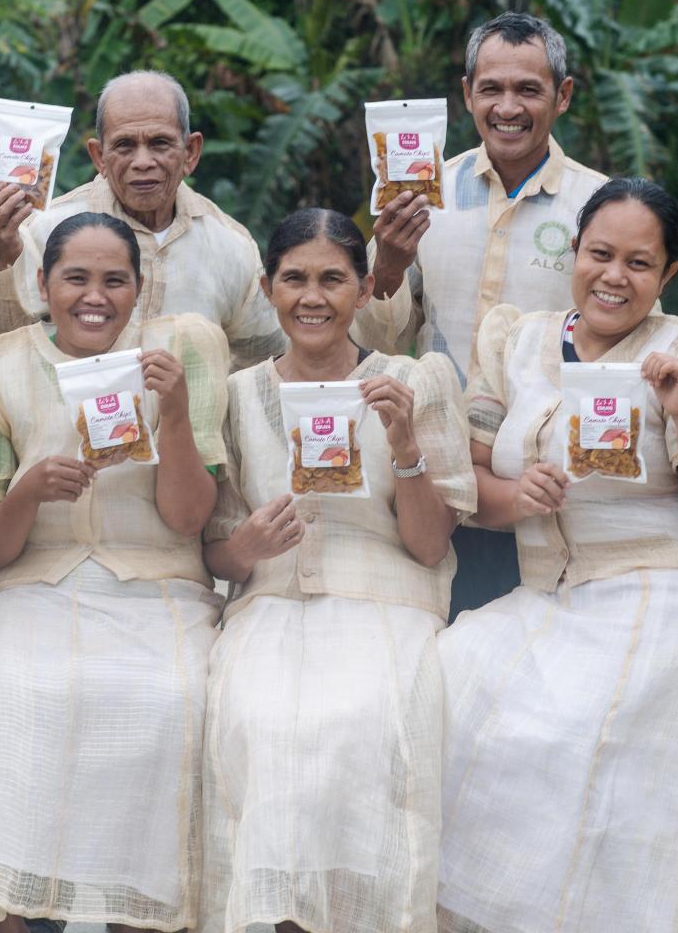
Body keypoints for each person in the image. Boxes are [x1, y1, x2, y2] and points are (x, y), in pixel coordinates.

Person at [434, 178, 678, 933]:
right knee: (444, 692)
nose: (615, 276)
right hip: (558, 593)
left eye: (640, 264)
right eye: (600, 254)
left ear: (668, 275)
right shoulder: (518, 341)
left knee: (577, 742)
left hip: (670, 592)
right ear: (574, 253)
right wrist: (518, 496)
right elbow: (471, 480)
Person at [0, 212, 231, 933]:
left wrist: (171, 412)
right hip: (33, 587)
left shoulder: (184, 349)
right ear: (43, 283)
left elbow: (189, 520)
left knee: (175, 699)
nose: (95, 297)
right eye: (75, 278)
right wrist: (26, 493)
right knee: (18, 695)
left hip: (159, 585)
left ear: (141, 290)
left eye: (116, 280)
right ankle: (18, 911)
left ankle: (141, 915)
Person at [200, 209, 475, 933]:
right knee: (260, 724)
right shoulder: (236, 394)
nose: (312, 297)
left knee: (362, 724)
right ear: (268, 288)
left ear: (363, 290)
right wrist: (250, 548)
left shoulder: (415, 381)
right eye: (294, 279)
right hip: (269, 607)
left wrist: (406, 443)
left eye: (332, 279)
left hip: (387, 603)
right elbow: (218, 551)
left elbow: (427, 545)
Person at [356, 11, 612, 616]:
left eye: (529, 89)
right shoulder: (421, 197)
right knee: (440, 637)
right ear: (467, 93)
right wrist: (388, 266)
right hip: (434, 462)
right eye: (491, 88)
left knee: (535, 649)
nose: (508, 107)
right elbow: (371, 338)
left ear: (563, 96)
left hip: (542, 475)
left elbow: (625, 338)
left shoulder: (598, 207)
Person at [0, 70, 285, 367]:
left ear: (190, 152)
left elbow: (266, 362)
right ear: (99, 156)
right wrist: (6, 258)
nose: (143, 162)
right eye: (125, 145)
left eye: (159, 143)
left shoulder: (230, 246)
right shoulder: (44, 231)